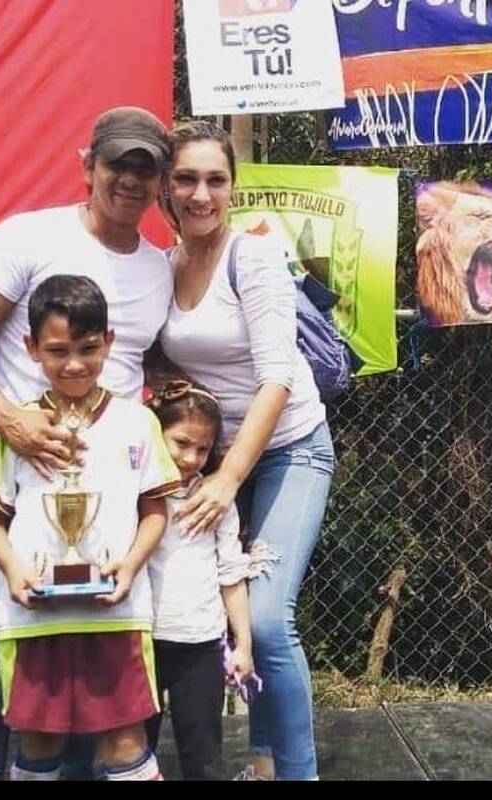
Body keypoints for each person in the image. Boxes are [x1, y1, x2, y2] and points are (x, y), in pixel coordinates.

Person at [0, 106, 173, 781]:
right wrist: (11, 422)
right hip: (26, 493)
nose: (130, 179)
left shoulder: (159, 269)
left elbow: (146, 368)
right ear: (87, 165)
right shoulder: (27, 238)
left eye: (146, 168)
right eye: (117, 163)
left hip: (112, 506)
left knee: (109, 687)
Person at [156, 121, 335, 781]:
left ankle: (297, 774)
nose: (201, 194)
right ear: (167, 188)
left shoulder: (252, 256)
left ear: (232, 187)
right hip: (213, 461)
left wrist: (228, 478)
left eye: (215, 179)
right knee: (229, 617)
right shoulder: (163, 267)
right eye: (186, 179)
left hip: (289, 449)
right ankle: (261, 767)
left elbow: (278, 377)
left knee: (265, 620)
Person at [0, 275, 180, 781]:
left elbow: (156, 510)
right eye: (57, 351)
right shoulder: (17, 428)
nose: (73, 364)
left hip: (116, 613)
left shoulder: (137, 422)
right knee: (40, 744)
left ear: (108, 342)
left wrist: (130, 565)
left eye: (87, 349)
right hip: (35, 617)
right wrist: (15, 570)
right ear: (31, 348)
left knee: (125, 743)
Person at [144, 380, 258, 781]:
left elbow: (231, 576)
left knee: (203, 757)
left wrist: (243, 645)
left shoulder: (215, 501)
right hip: (142, 642)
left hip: (201, 646)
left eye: (203, 449)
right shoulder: (134, 495)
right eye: (180, 443)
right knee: (133, 755)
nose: (191, 457)